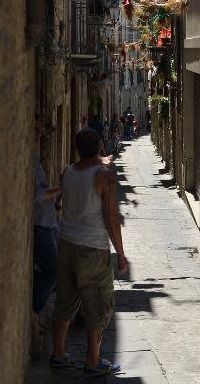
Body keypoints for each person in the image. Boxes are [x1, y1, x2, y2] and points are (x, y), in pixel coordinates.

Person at [50, 129, 128, 377]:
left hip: (66, 245)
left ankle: (59, 354)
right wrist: (121, 255)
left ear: (76, 148)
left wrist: (101, 161)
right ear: (101, 146)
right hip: (92, 249)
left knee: (65, 301)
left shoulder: (68, 172)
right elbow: (111, 218)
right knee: (97, 305)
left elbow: (83, 174)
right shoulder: (104, 176)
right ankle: (93, 361)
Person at [33, 115, 61, 349]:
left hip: (49, 223)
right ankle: (34, 310)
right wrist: (61, 189)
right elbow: (37, 196)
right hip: (40, 225)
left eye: (42, 129)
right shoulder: (29, 161)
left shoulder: (33, 158)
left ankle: (39, 314)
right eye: (37, 129)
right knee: (53, 270)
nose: (40, 133)